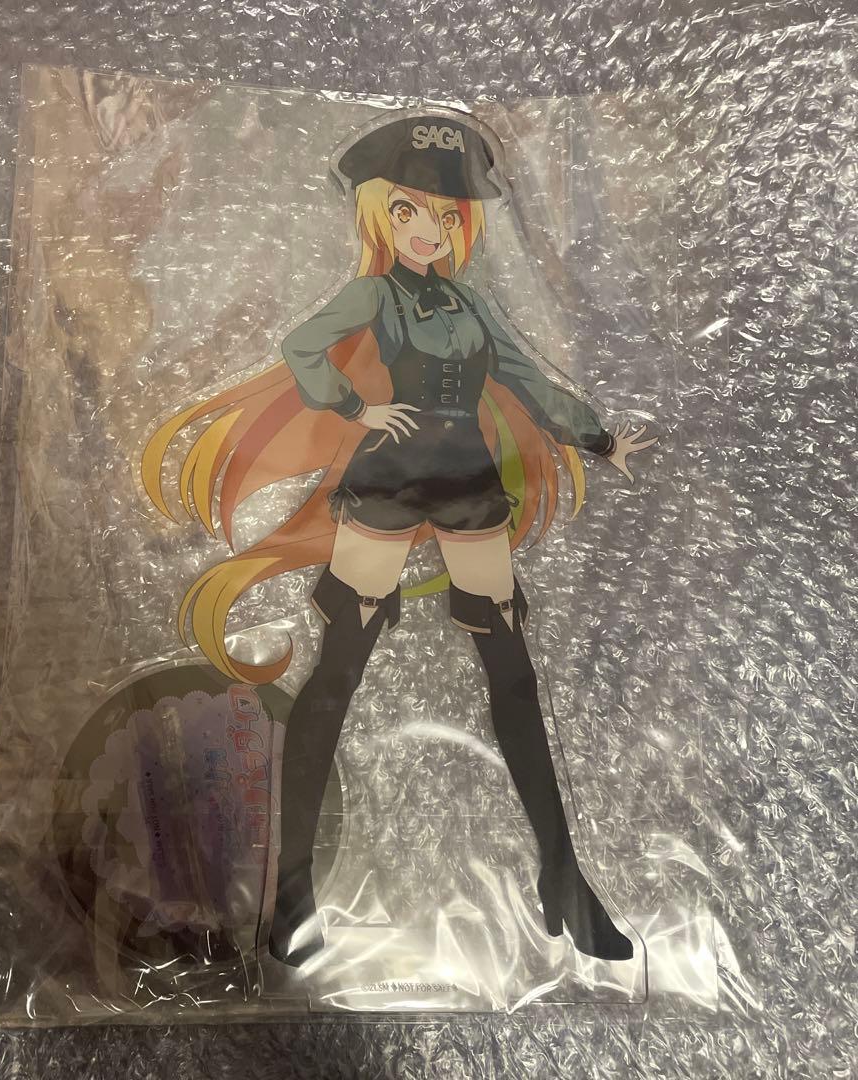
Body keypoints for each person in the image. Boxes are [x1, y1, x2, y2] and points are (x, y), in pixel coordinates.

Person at [140, 111, 657, 968]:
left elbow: (525, 378)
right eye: (410, 211)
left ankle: (564, 879)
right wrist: (356, 407)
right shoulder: (375, 295)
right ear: (381, 215)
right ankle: (293, 893)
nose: (429, 229)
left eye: (446, 215)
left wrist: (598, 439)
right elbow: (302, 344)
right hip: (385, 481)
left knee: (512, 669)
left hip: (469, 482)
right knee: (340, 666)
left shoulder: (472, 303)